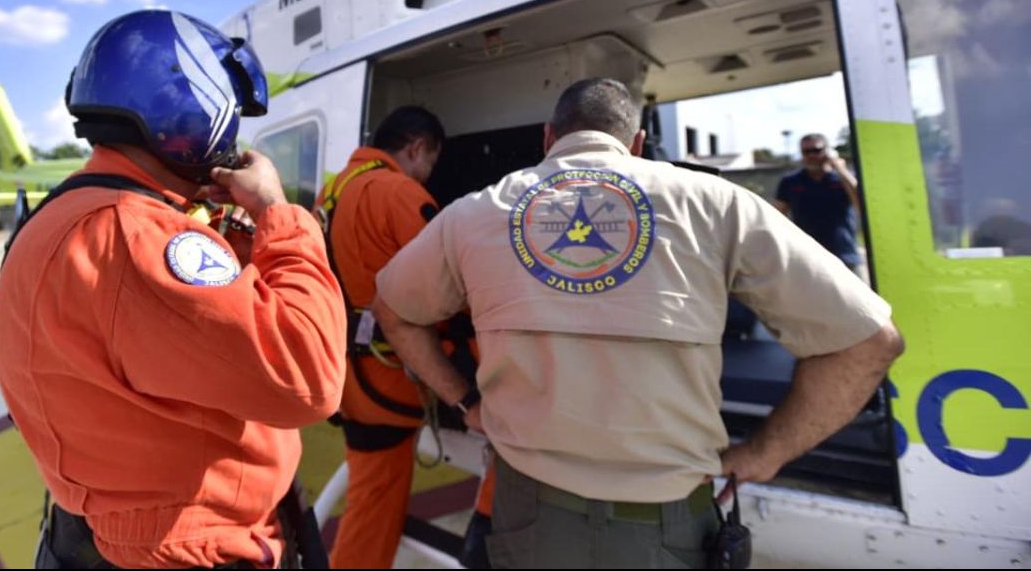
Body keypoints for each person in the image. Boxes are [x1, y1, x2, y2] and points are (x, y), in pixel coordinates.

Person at [371, 78, 904, 569]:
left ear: (548, 137)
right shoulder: (717, 203)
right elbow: (870, 342)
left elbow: (393, 312)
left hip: (526, 514)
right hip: (666, 524)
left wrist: (467, 403)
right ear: (639, 142)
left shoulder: (473, 212)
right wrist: (767, 452)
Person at [0, 10, 347, 569]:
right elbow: (308, 377)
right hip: (189, 547)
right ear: (195, 106)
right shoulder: (137, 234)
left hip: (95, 532)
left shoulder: (62, 217)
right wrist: (280, 214)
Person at [315, 106, 466, 569]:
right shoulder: (400, 194)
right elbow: (448, 287)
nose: (427, 175)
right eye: (430, 163)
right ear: (416, 148)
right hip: (390, 378)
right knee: (375, 505)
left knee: (369, 492)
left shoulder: (333, 190)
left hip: (344, 372)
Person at [775, 133, 864, 274]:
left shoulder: (842, 180)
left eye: (816, 151)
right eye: (806, 152)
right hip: (808, 259)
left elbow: (861, 206)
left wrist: (841, 169)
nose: (811, 155)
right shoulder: (790, 182)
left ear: (827, 152)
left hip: (845, 257)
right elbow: (777, 216)